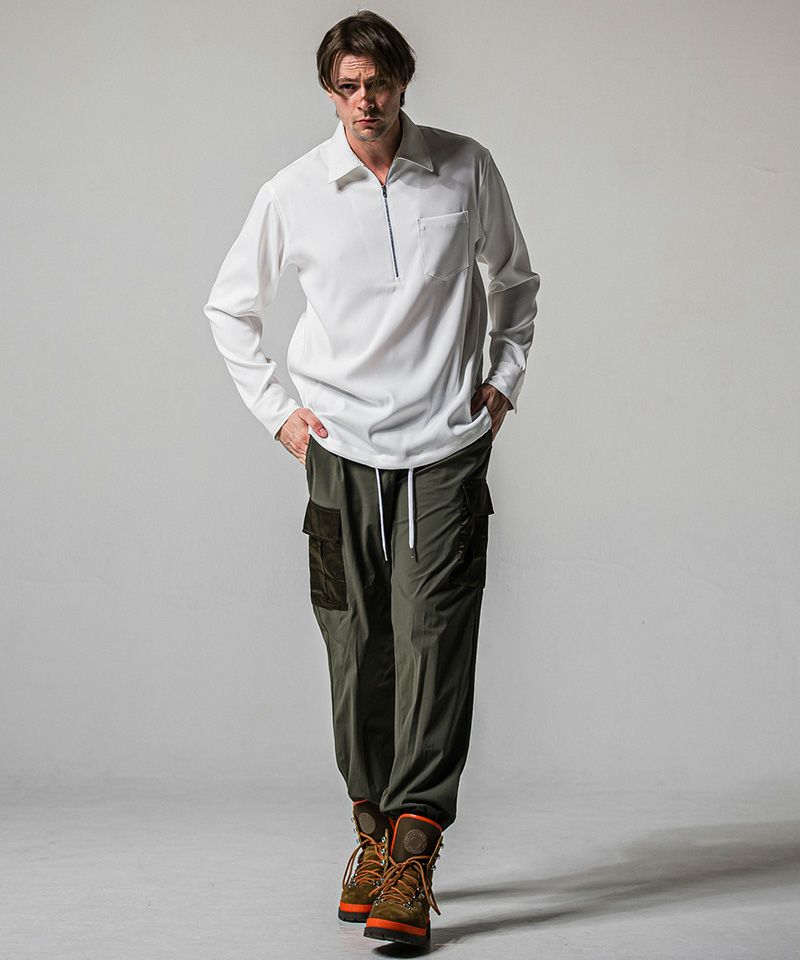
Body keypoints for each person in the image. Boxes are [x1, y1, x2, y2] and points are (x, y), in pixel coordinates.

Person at [204, 9, 539, 947]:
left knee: (434, 635)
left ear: (403, 83)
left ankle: (415, 846)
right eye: (348, 87)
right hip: (340, 448)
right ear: (329, 91)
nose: (366, 102)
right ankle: (372, 832)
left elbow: (515, 282)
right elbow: (230, 307)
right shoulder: (293, 191)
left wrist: (502, 383)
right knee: (354, 642)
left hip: (444, 444)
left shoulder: (466, 168)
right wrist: (280, 413)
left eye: (379, 84)